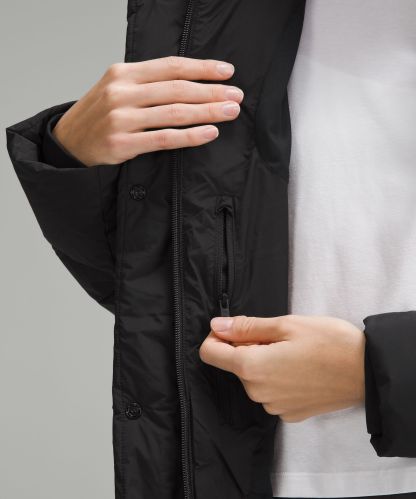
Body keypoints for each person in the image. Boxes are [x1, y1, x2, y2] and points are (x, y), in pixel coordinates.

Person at [5, 1, 416, 498]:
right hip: (233, 473)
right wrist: (70, 156)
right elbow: (167, 299)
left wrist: (383, 371)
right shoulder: (216, 13)